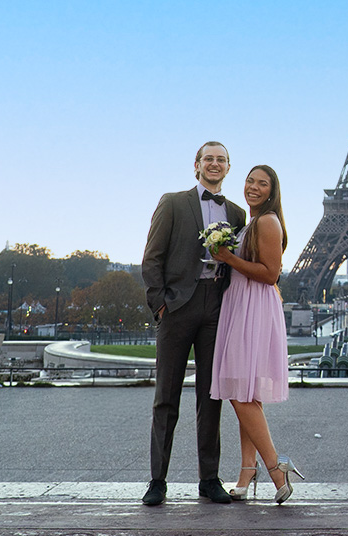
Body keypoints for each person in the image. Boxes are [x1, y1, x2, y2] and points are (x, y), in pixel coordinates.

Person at [140, 141, 247, 507]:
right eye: (208, 159)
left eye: (221, 160)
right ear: (197, 165)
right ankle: (158, 480)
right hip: (177, 306)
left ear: (228, 167)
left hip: (216, 305)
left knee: (211, 396)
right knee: (166, 397)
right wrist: (161, 305)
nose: (215, 164)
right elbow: (152, 257)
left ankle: (209, 479)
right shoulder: (173, 203)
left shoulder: (236, 213)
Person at [209, 165, 305, 504]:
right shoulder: (253, 222)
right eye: (250, 180)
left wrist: (227, 257)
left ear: (271, 191)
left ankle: (276, 467)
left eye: (262, 183)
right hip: (244, 304)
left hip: (253, 306)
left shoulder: (267, 222)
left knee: (238, 390)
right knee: (246, 391)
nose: (253, 187)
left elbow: (270, 274)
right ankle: (246, 472)